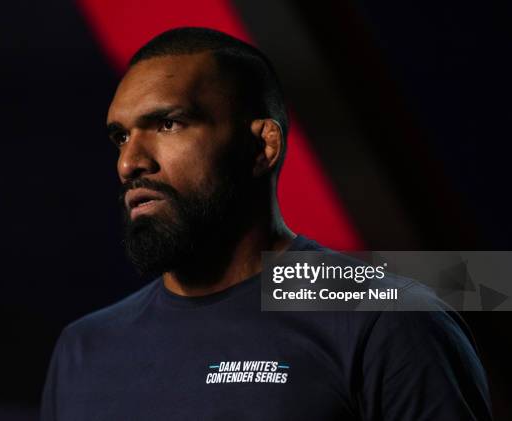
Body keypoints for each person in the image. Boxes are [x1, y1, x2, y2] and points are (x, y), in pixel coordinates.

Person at [40, 27, 492, 420]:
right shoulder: (83, 349)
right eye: (121, 136)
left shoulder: (384, 320)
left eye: (168, 124)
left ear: (263, 146)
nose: (129, 163)